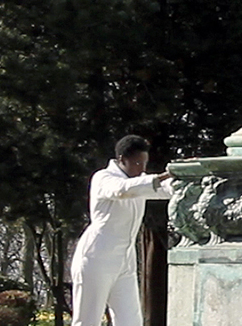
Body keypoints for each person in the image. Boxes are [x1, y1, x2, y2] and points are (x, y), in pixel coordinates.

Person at [70, 135, 173, 326]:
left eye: (144, 163)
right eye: (136, 162)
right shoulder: (104, 178)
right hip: (96, 258)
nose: (141, 168)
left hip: (125, 261)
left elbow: (165, 189)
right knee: (87, 321)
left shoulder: (140, 181)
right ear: (121, 159)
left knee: (131, 322)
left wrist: (185, 175)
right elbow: (122, 190)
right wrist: (163, 176)